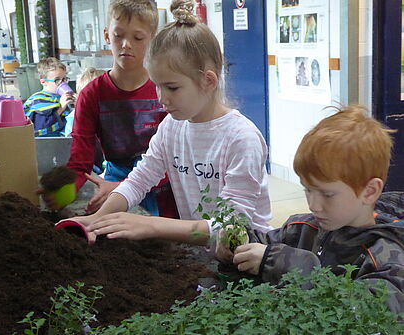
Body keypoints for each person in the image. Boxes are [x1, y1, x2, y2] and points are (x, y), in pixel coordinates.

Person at [64, 0, 273, 245]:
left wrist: (151, 225)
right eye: (157, 86)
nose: (161, 99)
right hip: (204, 253)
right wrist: (97, 220)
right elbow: (140, 179)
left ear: (208, 81)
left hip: (249, 258)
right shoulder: (172, 127)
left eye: (172, 87)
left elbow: (230, 227)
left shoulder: (241, 139)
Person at [216, 105, 404, 315]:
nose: (313, 205)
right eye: (308, 190)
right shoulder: (302, 228)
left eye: (327, 194)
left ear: (370, 191)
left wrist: (284, 262)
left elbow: (370, 310)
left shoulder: (386, 254)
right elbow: (263, 245)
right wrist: (238, 241)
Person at [63, 0, 178, 217]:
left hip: (164, 188)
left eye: (138, 37)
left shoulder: (166, 89)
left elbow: (176, 157)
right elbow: (80, 159)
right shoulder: (91, 95)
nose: (126, 44)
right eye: (118, 35)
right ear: (107, 35)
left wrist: (126, 187)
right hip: (114, 183)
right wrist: (65, 187)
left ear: (152, 39)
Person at [23, 57, 76, 137]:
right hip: (46, 144)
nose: (63, 83)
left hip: (64, 141)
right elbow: (41, 128)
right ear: (44, 82)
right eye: (57, 80)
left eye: (64, 79)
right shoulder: (38, 100)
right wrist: (60, 108)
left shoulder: (62, 97)